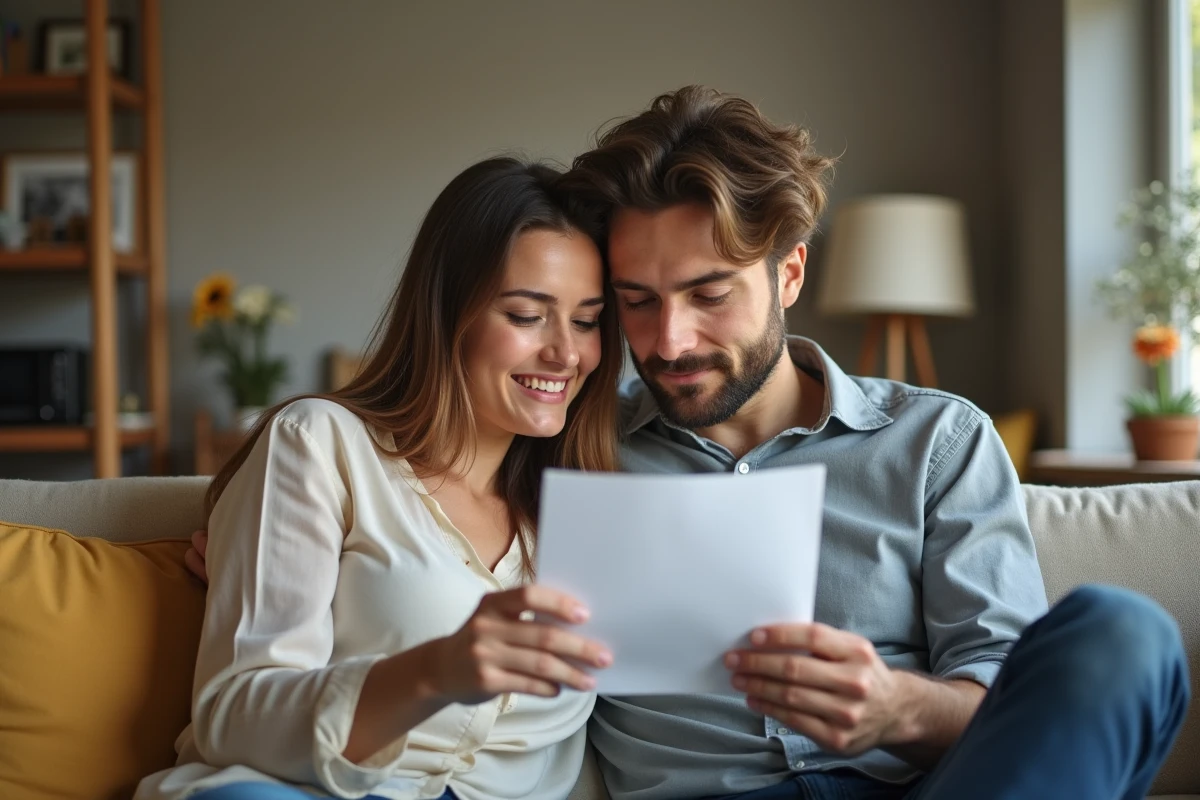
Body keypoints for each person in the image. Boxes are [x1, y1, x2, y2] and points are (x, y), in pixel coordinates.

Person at [186, 87, 1191, 800]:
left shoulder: (936, 441)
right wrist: (236, 517)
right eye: (634, 301)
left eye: (710, 294)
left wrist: (896, 708)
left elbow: (1014, 702)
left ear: (788, 274)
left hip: (918, 787)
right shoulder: (580, 445)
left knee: (1123, 634)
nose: (667, 341)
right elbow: (410, 479)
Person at [136, 157, 626, 800]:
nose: (566, 353)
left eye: (586, 321)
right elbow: (233, 715)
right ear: (447, 313)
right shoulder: (320, 443)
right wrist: (431, 673)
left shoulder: (592, 508)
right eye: (526, 315)